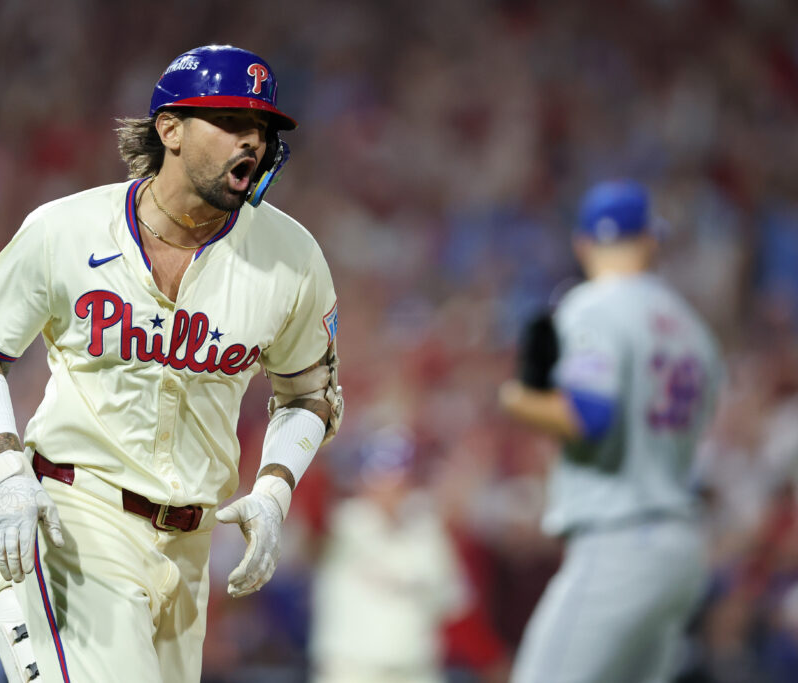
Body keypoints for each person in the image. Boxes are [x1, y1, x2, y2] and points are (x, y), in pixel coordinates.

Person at [0, 44, 343, 683]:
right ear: (170, 130)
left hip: (191, 542)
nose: (251, 141)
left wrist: (274, 489)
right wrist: (7, 476)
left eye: (261, 128)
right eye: (229, 123)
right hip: (82, 512)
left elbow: (309, 394)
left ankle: (5, 603)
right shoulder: (67, 229)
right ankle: (21, 599)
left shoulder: (292, 257)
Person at [498, 180, 723, 683]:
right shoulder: (693, 328)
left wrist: (519, 398)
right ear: (650, 241)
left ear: (583, 244)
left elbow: (590, 417)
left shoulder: (592, 306)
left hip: (620, 542)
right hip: (682, 546)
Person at [308, 425, 470, 683]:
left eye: (397, 477)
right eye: (379, 477)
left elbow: (454, 601)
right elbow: (312, 522)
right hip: (352, 670)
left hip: (416, 670)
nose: (388, 487)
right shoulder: (343, 524)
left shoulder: (428, 530)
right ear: (361, 479)